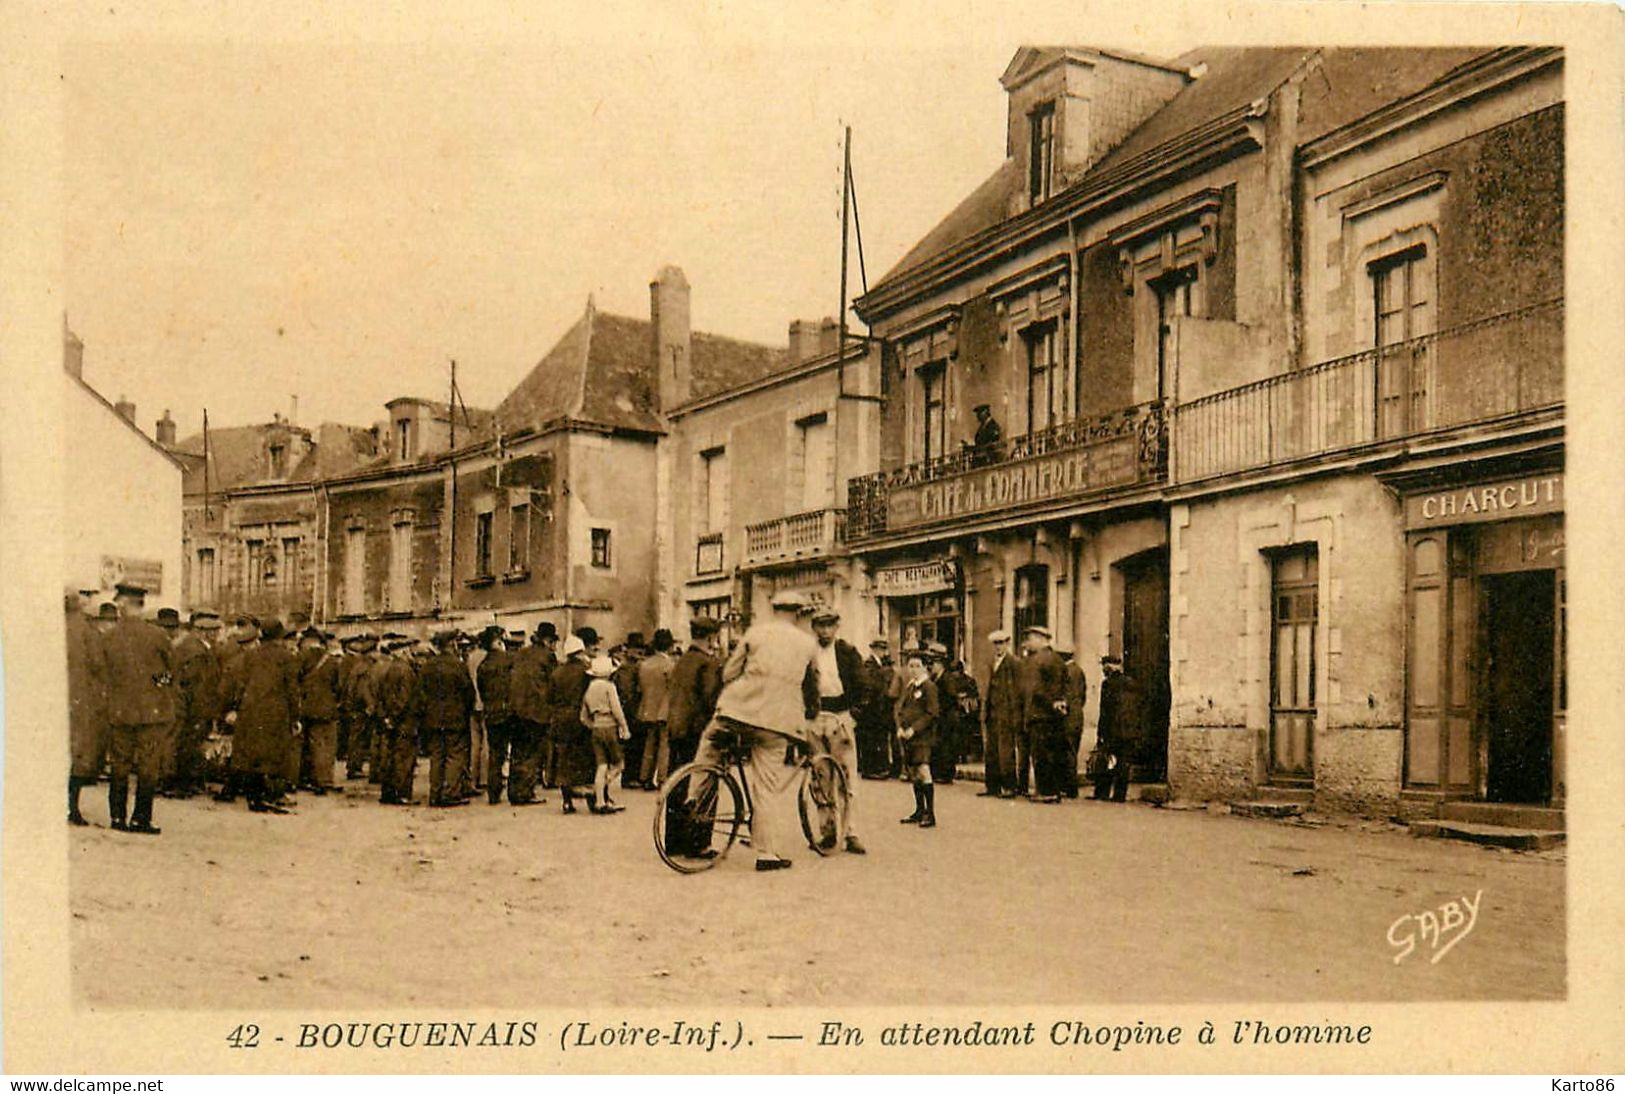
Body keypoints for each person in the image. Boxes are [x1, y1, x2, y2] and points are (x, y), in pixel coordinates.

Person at [688, 591, 821, 871]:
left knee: (709, 746)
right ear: (798, 613)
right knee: (767, 786)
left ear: (774, 609)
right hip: (777, 719)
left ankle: (694, 791)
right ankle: (767, 854)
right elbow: (812, 686)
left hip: (737, 710)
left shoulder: (755, 634)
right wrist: (809, 716)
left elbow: (728, 674)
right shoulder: (807, 643)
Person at [101, 585, 175, 834]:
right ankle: (140, 819)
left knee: (119, 765)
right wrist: (156, 684)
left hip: (119, 710)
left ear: (123, 605)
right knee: (148, 766)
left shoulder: (109, 637)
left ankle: (117, 818)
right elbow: (170, 672)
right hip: (151, 712)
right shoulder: (157, 635)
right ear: (141, 605)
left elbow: (103, 673)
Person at [221, 619, 299, 814]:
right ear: (280, 637)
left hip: (251, 710)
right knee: (274, 755)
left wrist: (236, 708)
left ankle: (254, 797)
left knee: (252, 754)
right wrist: (295, 717)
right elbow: (292, 690)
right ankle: (270, 795)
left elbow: (241, 684)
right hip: (276, 711)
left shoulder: (251, 656)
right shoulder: (286, 657)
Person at [806, 607, 867, 854]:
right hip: (816, 717)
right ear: (814, 628)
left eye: (830, 625)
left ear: (836, 627)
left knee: (846, 775)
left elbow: (864, 685)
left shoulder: (847, 652)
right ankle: (828, 832)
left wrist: (854, 714)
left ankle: (850, 832)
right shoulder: (807, 654)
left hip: (840, 716)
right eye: (820, 625)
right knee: (820, 778)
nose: (825, 630)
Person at [418, 630, 476, 807]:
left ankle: (435, 794)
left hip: (433, 720)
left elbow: (421, 694)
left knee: (437, 756)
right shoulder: (458, 666)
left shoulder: (427, 666)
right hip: (455, 719)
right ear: (452, 645)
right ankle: (450, 793)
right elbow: (468, 693)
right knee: (455, 756)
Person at [169, 611, 223, 798]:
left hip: (187, 704)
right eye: (214, 631)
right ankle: (181, 784)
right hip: (194, 707)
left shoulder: (189, 646)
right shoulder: (198, 652)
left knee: (185, 743)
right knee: (188, 744)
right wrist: (203, 711)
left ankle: (184, 783)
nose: (217, 635)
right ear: (204, 632)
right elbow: (198, 684)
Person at [65, 592, 108, 826]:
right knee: (77, 753)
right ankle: (72, 808)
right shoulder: (87, 631)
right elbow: (98, 664)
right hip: (80, 700)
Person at [1021, 625, 1070, 803]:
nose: (1027, 642)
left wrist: (1051, 703)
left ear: (1042, 640)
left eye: (1031, 638)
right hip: (1049, 715)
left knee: (1041, 756)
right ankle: (1051, 790)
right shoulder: (1054, 659)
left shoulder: (1041, 660)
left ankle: (1046, 791)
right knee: (1049, 754)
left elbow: (1038, 689)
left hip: (1040, 715)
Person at [549, 633, 597, 814]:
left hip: (560, 720)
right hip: (580, 718)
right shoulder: (586, 671)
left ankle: (567, 801)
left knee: (564, 760)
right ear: (580, 651)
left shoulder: (557, 672)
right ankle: (592, 798)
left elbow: (550, 698)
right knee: (586, 758)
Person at [505, 625, 552, 805]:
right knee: (532, 754)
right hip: (536, 711)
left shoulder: (521, 654)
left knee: (517, 751)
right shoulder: (547, 657)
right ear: (547, 641)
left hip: (515, 709)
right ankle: (526, 792)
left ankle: (513, 791)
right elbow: (551, 683)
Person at [894, 649, 940, 828]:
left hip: (922, 737)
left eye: (917, 666)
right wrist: (900, 727)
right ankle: (919, 810)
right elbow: (900, 709)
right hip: (907, 736)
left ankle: (930, 813)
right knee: (913, 773)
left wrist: (914, 729)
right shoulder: (910, 686)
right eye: (910, 665)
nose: (913, 669)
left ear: (924, 667)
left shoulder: (929, 687)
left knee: (923, 770)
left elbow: (932, 713)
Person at [580, 654, 631, 813]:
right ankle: (599, 790)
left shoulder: (590, 688)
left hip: (596, 727)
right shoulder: (609, 687)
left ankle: (600, 800)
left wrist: (593, 724)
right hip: (609, 726)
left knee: (601, 765)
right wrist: (624, 727)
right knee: (618, 764)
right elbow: (616, 709)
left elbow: (583, 716)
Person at [372, 636, 420, 805]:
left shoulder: (389, 668)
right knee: (404, 759)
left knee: (391, 757)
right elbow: (404, 698)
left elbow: (382, 696)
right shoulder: (405, 670)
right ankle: (401, 794)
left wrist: (386, 717)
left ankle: (389, 792)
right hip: (404, 721)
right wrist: (394, 717)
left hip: (391, 719)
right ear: (403, 651)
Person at [296, 629, 342, 795]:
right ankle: (323, 781)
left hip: (305, 707)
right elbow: (338, 687)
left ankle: (305, 778)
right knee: (325, 746)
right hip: (326, 709)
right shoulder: (331, 661)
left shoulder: (300, 657)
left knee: (306, 745)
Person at [476, 628, 517, 804]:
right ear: (498, 641)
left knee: (495, 752)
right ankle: (515, 790)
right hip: (509, 710)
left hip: (491, 712)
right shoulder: (509, 660)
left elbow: (482, 690)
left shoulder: (483, 665)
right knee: (514, 751)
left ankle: (494, 792)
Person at [1094, 654, 1141, 803]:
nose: (1102, 668)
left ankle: (1103, 792)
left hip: (1112, 730)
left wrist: (1101, 733)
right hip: (1128, 730)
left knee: (1109, 761)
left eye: (1104, 665)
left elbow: (1105, 711)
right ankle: (1119, 795)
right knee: (1123, 763)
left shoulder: (1107, 684)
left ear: (1109, 666)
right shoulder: (1131, 683)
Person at [980, 630, 1020, 798]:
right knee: (992, 751)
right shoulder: (991, 663)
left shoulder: (1014, 663)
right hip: (993, 712)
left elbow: (1017, 691)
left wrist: (1015, 714)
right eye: (996, 644)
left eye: (1001, 643)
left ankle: (1009, 787)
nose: (998, 647)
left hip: (1007, 713)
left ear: (1007, 644)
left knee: (1006, 751)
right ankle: (992, 786)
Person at [634, 628, 676, 789]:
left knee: (649, 743)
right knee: (664, 745)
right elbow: (672, 688)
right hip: (664, 710)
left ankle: (645, 776)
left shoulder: (644, 665)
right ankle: (662, 778)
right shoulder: (670, 665)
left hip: (647, 708)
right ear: (670, 646)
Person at [934, 654, 978, 785]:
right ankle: (943, 772)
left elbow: (951, 696)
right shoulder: (939, 678)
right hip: (947, 716)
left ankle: (946, 773)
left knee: (947, 745)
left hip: (949, 716)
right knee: (944, 744)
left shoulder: (946, 679)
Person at [854, 639, 895, 779]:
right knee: (870, 739)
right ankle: (870, 769)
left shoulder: (878, 665)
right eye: (881, 649)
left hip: (876, 708)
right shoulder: (870, 665)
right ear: (875, 650)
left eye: (884, 649)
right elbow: (871, 686)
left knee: (875, 739)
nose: (883, 652)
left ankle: (875, 768)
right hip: (872, 709)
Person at [612, 633, 645, 788]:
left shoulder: (633, 666)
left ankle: (633, 775)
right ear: (628, 650)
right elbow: (626, 692)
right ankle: (630, 777)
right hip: (631, 710)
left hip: (633, 709)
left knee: (636, 744)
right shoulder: (627, 668)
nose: (639, 652)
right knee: (633, 744)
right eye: (636, 649)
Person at [1058, 648, 1089, 799]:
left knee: (1067, 752)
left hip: (1068, 717)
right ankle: (1070, 787)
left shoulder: (1067, 672)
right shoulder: (1079, 671)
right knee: (1072, 751)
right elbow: (1083, 695)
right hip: (1077, 716)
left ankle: (1069, 788)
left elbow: (1066, 696)